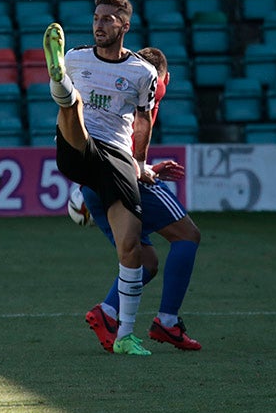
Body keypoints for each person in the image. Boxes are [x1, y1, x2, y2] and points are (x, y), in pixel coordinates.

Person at [43, 0, 159, 355]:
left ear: (125, 26)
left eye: (109, 19)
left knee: (131, 246)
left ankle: (124, 336)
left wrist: (139, 162)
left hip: (117, 156)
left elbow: (143, 121)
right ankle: (59, 81)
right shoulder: (77, 59)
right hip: (78, 146)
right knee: (73, 104)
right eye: (96, 18)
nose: (100, 25)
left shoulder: (142, 73)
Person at [80, 47, 202, 353]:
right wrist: (142, 170)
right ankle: (167, 322)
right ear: (164, 78)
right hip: (123, 180)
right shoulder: (149, 92)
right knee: (188, 236)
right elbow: (127, 143)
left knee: (145, 261)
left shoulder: (117, 86)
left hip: (97, 182)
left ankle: (107, 313)